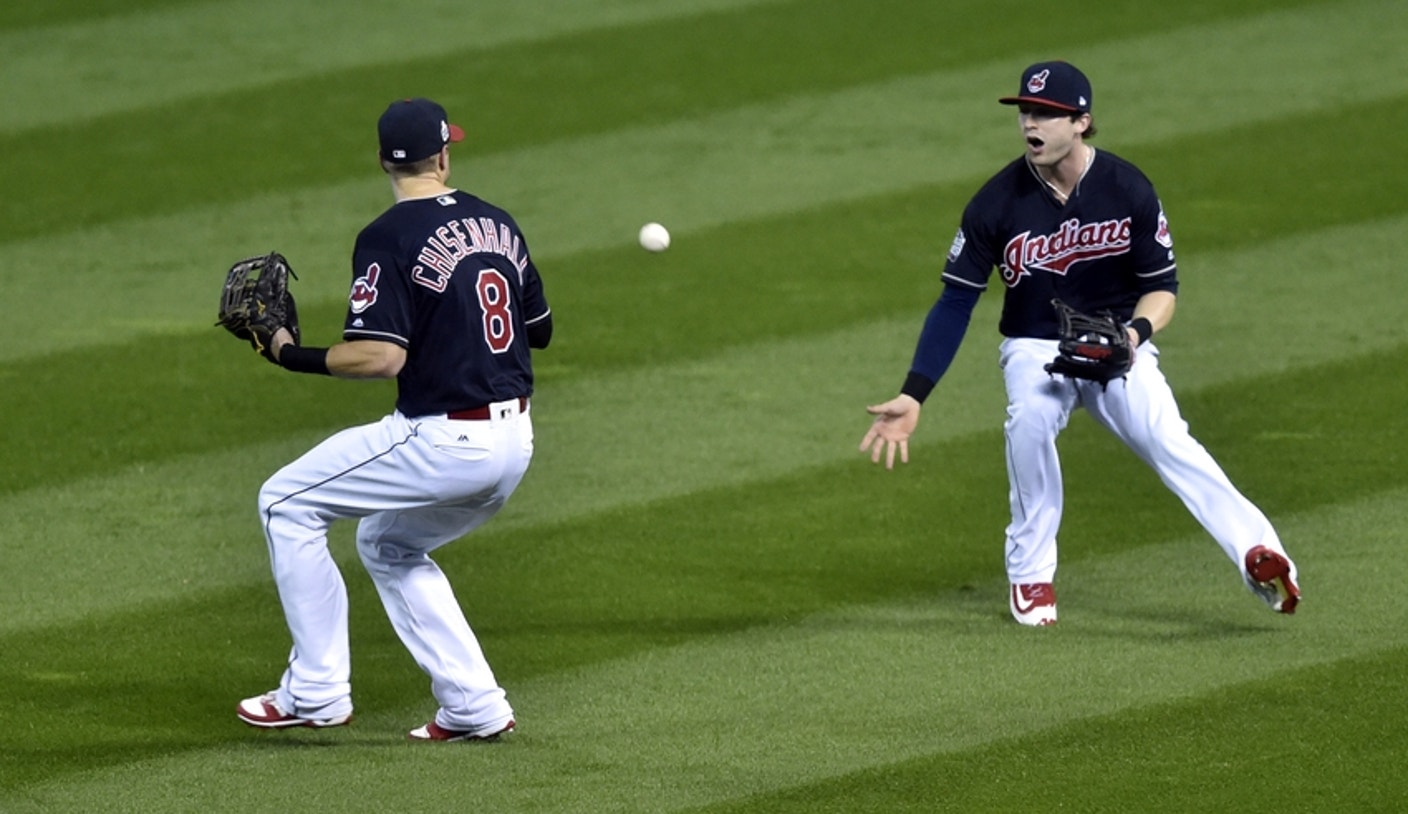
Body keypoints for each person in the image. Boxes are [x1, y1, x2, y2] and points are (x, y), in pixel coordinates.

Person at [858, 62, 1299, 626]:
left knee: (1167, 437)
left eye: (1045, 114)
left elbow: (1162, 288)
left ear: (1082, 122)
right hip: (1035, 345)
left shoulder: (1127, 187)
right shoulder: (995, 204)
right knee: (1030, 422)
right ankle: (1032, 576)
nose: (1029, 125)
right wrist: (915, 392)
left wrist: (1134, 338)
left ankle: (1260, 555)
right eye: (1025, 113)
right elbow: (954, 302)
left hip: (1117, 340)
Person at [235, 97, 552, 738]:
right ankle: (475, 707)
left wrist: (288, 352)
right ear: (444, 155)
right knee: (388, 542)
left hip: (443, 441)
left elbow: (380, 357)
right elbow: (538, 331)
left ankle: (317, 691)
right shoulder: (499, 222)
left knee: (285, 503)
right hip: (514, 442)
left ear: (383, 159)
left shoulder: (387, 236)